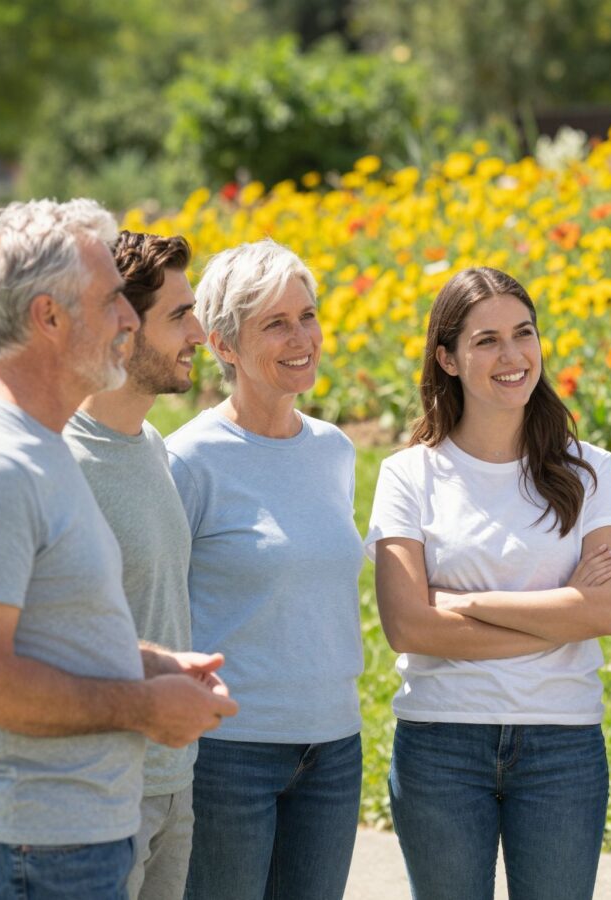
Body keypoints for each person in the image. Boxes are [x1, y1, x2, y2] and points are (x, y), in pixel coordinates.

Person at [0, 199, 236, 899]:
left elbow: (49, 635)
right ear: (49, 318)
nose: (126, 319)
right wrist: (142, 707)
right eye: (112, 298)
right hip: (34, 849)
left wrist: (151, 664)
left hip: (74, 838)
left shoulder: (39, 448)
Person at [367, 266, 611, 900]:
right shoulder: (409, 475)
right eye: (486, 340)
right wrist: (553, 615)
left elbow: (605, 613)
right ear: (448, 358)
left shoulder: (589, 469)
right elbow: (408, 627)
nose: (512, 356)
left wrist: (467, 604)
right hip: (441, 743)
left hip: (561, 744)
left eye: (524, 333)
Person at [165, 239, 365, 900]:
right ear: (222, 345)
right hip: (230, 755)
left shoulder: (334, 451)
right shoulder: (188, 460)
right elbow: (158, 609)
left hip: (333, 751)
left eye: (306, 315)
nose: (301, 336)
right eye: (275, 323)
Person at [63, 230, 208, 900]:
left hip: (173, 784)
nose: (200, 333)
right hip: (94, 801)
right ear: (123, 328)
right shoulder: (59, 462)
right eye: (179, 316)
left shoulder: (153, 444)